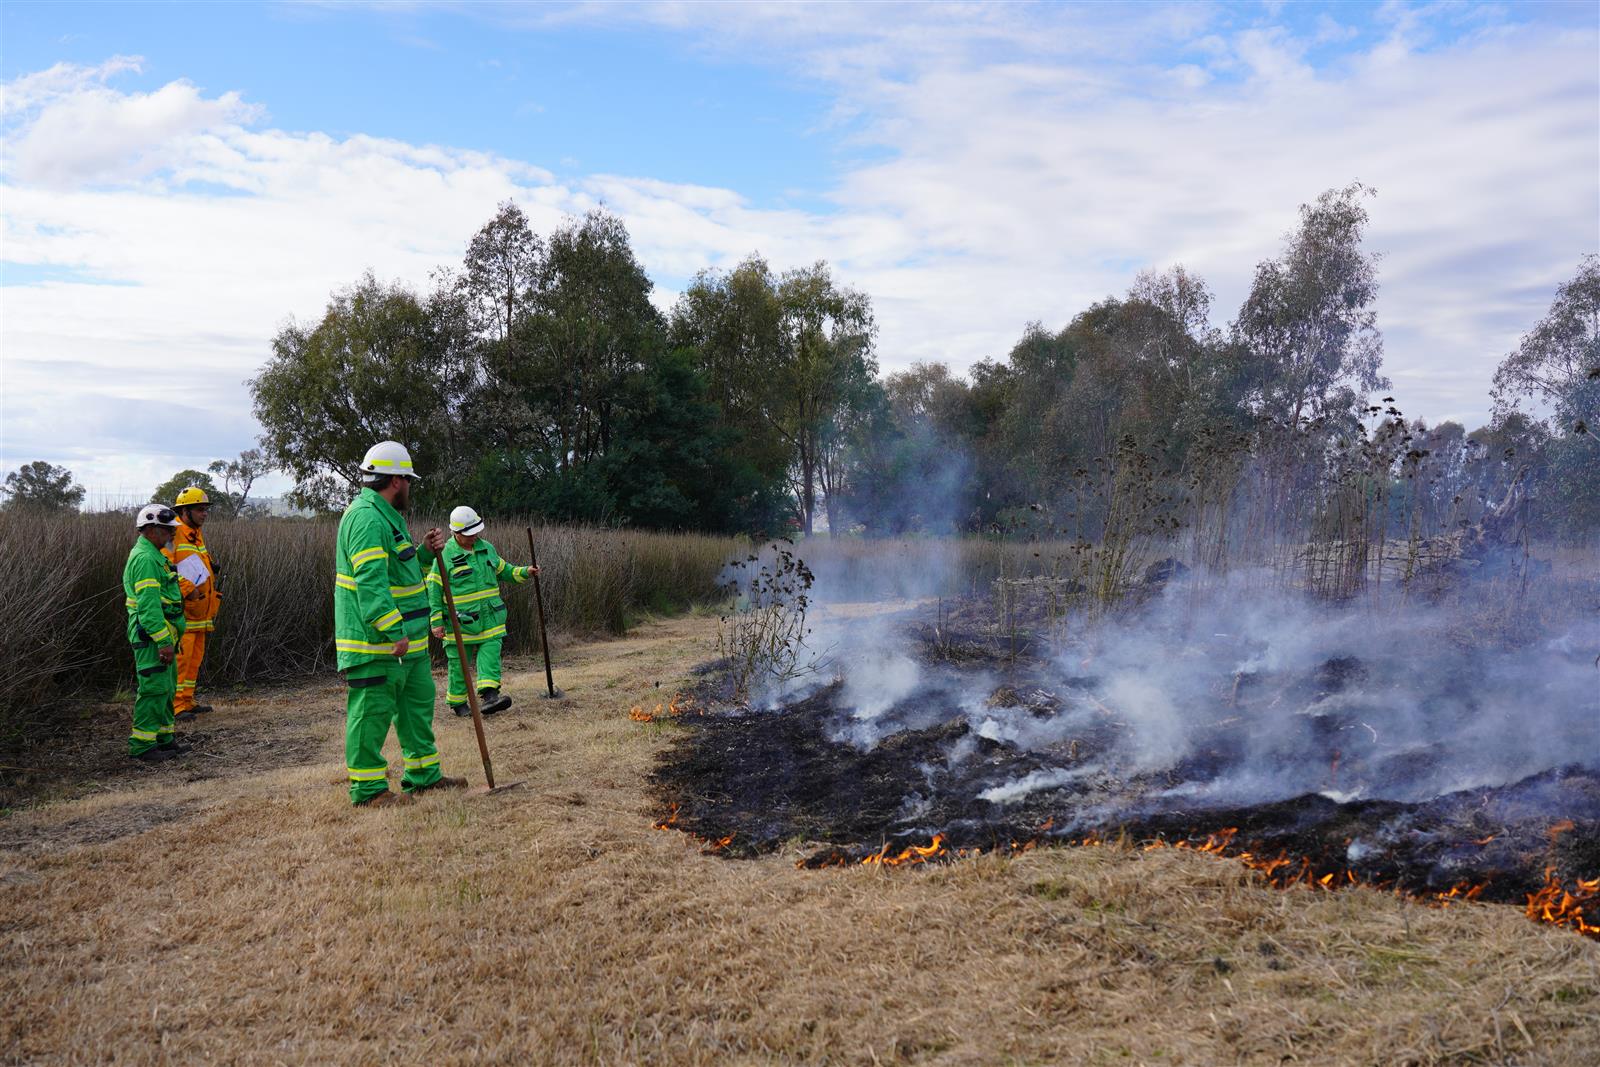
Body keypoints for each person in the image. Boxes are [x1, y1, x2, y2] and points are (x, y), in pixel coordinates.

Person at [334, 441, 467, 807]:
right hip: (377, 644)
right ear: (396, 480)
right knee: (371, 715)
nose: (410, 486)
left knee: (416, 711)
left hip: (408, 645)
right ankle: (368, 791)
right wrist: (394, 630)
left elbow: (403, 574)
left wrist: (425, 552)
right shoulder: (365, 519)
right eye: (408, 479)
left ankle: (424, 777)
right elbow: (371, 583)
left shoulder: (388, 517)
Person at [427, 506, 538, 716]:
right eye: (469, 533)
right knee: (459, 666)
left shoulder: (487, 548)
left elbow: (504, 570)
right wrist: (436, 621)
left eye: (476, 531)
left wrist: (526, 572)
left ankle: (490, 696)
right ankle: (459, 704)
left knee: (490, 656)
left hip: (491, 618)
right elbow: (434, 590)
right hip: (460, 624)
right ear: (455, 532)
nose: (474, 536)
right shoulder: (444, 556)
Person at [124, 504, 189, 762]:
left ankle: (164, 739)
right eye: (167, 529)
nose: (172, 533)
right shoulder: (145, 559)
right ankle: (142, 747)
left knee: (166, 689)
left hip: (163, 636)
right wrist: (163, 641)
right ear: (150, 529)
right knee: (153, 690)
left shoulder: (156, 556)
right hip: (151, 638)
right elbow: (149, 608)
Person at [166, 486, 221, 721]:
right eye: (200, 509)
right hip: (185, 612)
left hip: (201, 611)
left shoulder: (196, 534)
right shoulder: (172, 534)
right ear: (184, 511)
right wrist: (188, 591)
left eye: (206, 509)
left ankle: (187, 700)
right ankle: (176, 706)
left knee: (194, 659)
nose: (204, 514)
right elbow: (166, 569)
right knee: (182, 659)